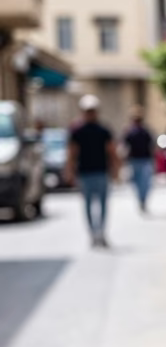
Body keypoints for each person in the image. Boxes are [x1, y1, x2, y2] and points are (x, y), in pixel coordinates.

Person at [65, 94, 119, 248]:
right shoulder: (77, 131)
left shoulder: (103, 130)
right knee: (88, 205)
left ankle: (100, 231)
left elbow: (111, 151)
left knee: (102, 205)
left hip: (101, 172)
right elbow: (72, 153)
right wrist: (69, 171)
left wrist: (116, 170)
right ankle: (93, 233)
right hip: (85, 173)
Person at [123, 107, 154, 212]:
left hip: (145, 160)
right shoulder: (129, 132)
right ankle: (141, 199)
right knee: (136, 182)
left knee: (144, 183)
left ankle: (143, 199)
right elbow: (125, 146)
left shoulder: (145, 131)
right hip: (134, 161)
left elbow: (151, 146)